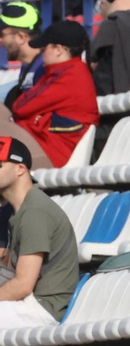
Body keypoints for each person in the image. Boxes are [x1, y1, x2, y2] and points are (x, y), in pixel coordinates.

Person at [0, 139, 78, 330]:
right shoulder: (15, 210)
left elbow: (23, 284)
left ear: (20, 169)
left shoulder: (35, 212)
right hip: (25, 303)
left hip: (42, 308)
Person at [2, 21, 97, 168]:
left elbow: (21, 108)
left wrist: (37, 118)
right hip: (43, 144)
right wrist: (38, 118)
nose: (41, 52)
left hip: (54, 154)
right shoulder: (57, 72)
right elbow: (21, 106)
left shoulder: (71, 75)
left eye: (44, 48)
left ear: (58, 49)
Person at [0, 3, 42, 104]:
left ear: (21, 37)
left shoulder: (44, 70)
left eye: (1, 34)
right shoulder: (31, 65)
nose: (0, 40)